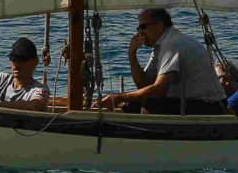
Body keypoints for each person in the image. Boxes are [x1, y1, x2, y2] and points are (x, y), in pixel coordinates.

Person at [98, 8, 229, 115]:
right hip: (193, 102)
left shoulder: (172, 44)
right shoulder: (161, 45)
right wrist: (132, 54)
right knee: (132, 105)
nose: (139, 32)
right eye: (138, 28)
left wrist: (119, 97)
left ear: (160, 26)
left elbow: (159, 89)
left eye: (143, 27)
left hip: (211, 107)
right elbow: (143, 84)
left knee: (150, 104)